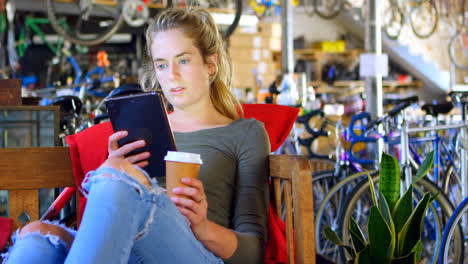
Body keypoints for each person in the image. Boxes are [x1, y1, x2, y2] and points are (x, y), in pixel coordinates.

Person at [2, 7, 270, 264]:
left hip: (196, 255)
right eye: (162, 65)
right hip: (128, 253)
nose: (172, 75)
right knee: (36, 236)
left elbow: (253, 253)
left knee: (118, 174)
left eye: (183, 60)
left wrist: (203, 227)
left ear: (210, 64)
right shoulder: (143, 130)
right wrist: (112, 169)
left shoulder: (245, 133)